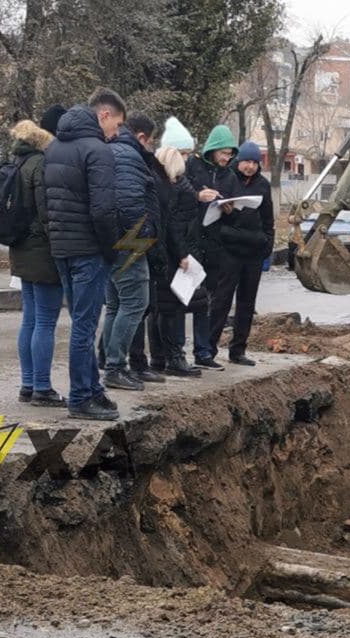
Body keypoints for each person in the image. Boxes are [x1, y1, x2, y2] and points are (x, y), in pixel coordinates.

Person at [45, 88, 124, 420]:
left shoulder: (54, 147)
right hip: (89, 250)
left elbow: (43, 203)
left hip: (62, 246)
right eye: (117, 124)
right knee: (85, 325)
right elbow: (104, 211)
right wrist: (111, 250)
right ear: (103, 115)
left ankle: (92, 389)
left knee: (81, 320)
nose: (117, 133)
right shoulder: (98, 151)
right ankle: (80, 397)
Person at [9, 106, 67, 408]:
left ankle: (28, 384)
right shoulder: (43, 164)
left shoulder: (18, 160)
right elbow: (48, 214)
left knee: (30, 319)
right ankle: (42, 388)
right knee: (45, 320)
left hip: (20, 249)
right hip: (42, 252)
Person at [101, 114, 162, 391]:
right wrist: (146, 231)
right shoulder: (130, 155)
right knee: (136, 303)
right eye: (150, 141)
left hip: (111, 241)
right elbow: (128, 202)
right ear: (141, 137)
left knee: (115, 305)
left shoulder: (111, 150)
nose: (151, 146)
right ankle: (115, 367)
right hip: (131, 242)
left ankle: (111, 363)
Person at [208, 140, 273, 367]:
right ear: (238, 161)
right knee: (221, 301)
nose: (250, 167)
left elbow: (268, 221)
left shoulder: (263, 186)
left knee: (246, 303)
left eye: (254, 163)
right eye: (246, 161)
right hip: (229, 251)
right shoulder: (228, 180)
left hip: (253, 253)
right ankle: (209, 348)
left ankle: (238, 350)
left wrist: (267, 247)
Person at [146, 141, 204, 377]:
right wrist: (182, 254)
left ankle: (159, 357)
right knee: (169, 309)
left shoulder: (154, 183)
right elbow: (174, 226)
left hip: (159, 253)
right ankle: (173, 357)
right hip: (170, 255)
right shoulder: (169, 190)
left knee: (157, 309)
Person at [184, 124, 239, 371]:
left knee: (205, 301)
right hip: (191, 241)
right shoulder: (193, 168)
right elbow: (178, 198)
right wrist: (198, 197)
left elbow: (235, 214)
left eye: (230, 154)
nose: (227, 158)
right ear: (213, 149)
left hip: (214, 244)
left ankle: (203, 352)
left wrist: (229, 211)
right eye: (223, 153)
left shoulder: (230, 176)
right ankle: (168, 354)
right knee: (182, 298)